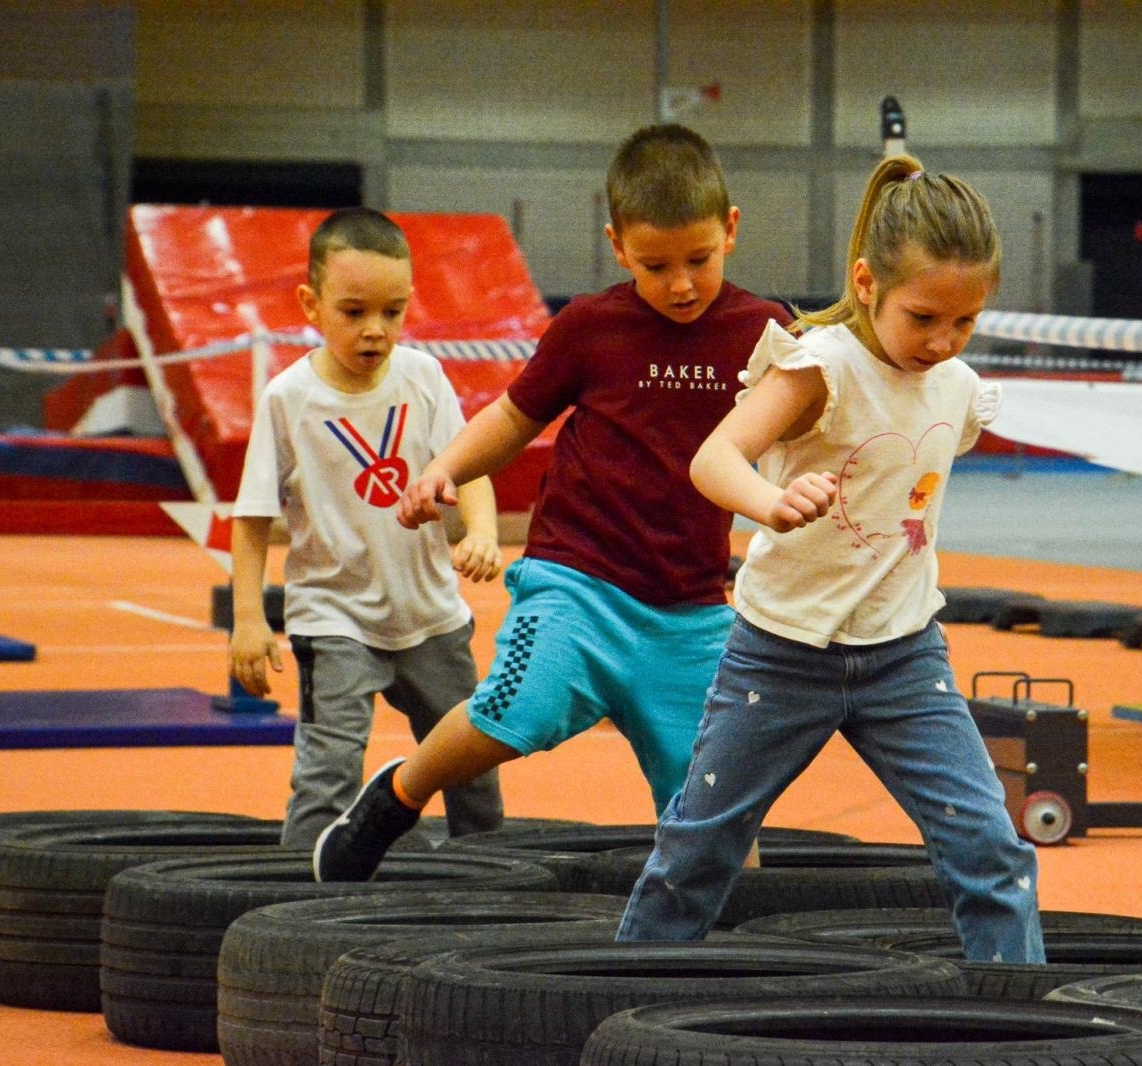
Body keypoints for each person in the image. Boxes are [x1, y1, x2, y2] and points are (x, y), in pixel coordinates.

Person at [310, 124, 793, 882]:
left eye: (698, 260)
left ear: (730, 231)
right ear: (617, 245)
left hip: (692, 610)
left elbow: (822, 414)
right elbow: (510, 420)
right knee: (519, 711)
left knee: (716, 795)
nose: (680, 285)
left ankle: (727, 937)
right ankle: (397, 796)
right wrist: (444, 468)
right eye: (654, 264)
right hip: (578, 582)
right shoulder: (590, 329)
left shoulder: (766, 333)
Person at [615, 154, 1047, 964]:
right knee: (696, 852)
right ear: (867, 281)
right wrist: (769, 502)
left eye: (965, 323)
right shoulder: (822, 367)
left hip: (904, 656)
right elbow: (714, 459)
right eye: (923, 318)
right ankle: (612, 998)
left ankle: (1021, 1015)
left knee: (992, 850)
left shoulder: (957, 386)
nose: (943, 341)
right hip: (781, 654)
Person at [230, 206, 506, 851]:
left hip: (430, 616)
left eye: (392, 312)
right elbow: (251, 520)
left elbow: (471, 468)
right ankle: (298, 904)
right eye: (353, 312)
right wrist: (248, 618)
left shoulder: (425, 378)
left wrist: (482, 531)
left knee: (473, 765)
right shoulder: (288, 399)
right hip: (334, 619)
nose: (375, 331)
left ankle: (490, 879)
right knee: (327, 772)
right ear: (311, 303)